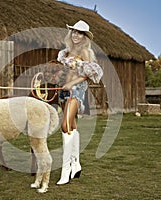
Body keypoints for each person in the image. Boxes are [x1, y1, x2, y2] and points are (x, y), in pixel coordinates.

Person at [56, 20, 103, 185]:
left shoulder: (85, 51)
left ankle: (65, 170)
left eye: (80, 33)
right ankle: (75, 164)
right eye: (74, 32)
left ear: (85, 37)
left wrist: (71, 84)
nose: (76, 35)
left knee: (65, 126)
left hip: (76, 91)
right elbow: (67, 71)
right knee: (72, 126)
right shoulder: (67, 52)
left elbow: (87, 73)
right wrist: (62, 80)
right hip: (64, 90)